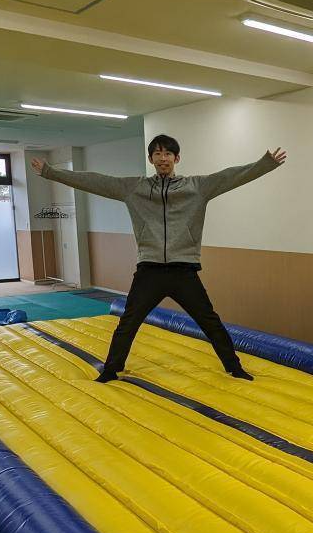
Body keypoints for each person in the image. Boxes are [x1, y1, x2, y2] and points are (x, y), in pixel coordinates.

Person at [31, 136, 286, 382]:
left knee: (210, 322)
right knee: (128, 322)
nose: (163, 158)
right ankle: (111, 369)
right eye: (158, 153)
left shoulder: (197, 187)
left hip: (183, 271)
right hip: (149, 271)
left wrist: (266, 164)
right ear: (151, 159)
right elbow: (96, 181)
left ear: (177, 158)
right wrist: (50, 172)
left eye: (168, 154)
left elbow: (231, 176)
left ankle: (234, 367)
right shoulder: (134, 188)